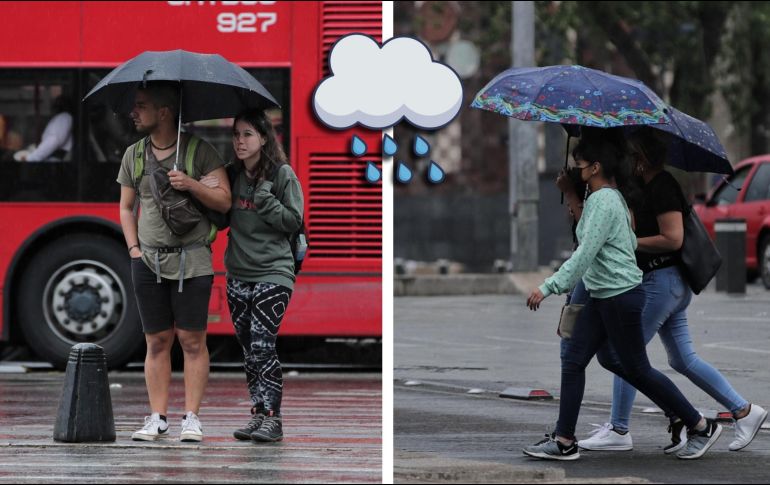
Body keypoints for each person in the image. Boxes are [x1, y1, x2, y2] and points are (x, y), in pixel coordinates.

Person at [522, 133, 723, 461]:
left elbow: (584, 253)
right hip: (606, 295)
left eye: (581, 164)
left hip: (618, 297)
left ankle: (699, 425)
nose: (577, 169)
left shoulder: (604, 201)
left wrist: (548, 287)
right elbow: (616, 244)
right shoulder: (608, 197)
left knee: (635, 367)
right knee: (579, 359)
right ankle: (564, 440)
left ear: (596, 167)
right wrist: (573, 195)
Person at [577, 129, 768, 453]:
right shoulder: (644, 187)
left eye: (633, 155)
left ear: (643, 157)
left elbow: (674, 238)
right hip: (667, 283)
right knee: (682, 358)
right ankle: (744, 411)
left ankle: (621, 429)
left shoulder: (663, 186)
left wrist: (628, 242)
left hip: (662, 282)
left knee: (626, 354)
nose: (629, 161)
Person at [116, 81, 231, 442]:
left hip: (192, 260)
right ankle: (157, 417)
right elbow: (125, 208)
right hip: (147, 261)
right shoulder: (134, 154)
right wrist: (134, 250)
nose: (134, 112)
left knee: (192, 341)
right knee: (157, 341)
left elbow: (224, 201)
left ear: (163, 112)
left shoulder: (199, 152)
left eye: (141, 105)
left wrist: (191, 185)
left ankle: (192, 419)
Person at [200, 108, 303, 443]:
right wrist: (204, 193)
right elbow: (222, 221)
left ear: (263, 138)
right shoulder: (232, 175)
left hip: (274, 271)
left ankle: (274, 419)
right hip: (238, 273)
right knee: (248, 348)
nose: (239, 141)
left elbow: (294, 220)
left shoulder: (281, 174)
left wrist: (266, 202)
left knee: (262, 344)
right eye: (236, 134)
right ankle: (258, 414)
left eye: (247, 134)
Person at [19, 95, 74, 162]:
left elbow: (53, 140)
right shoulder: (63, 118)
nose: (53, 107)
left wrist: (30, 158)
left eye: (56, 104)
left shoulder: (64, 117)